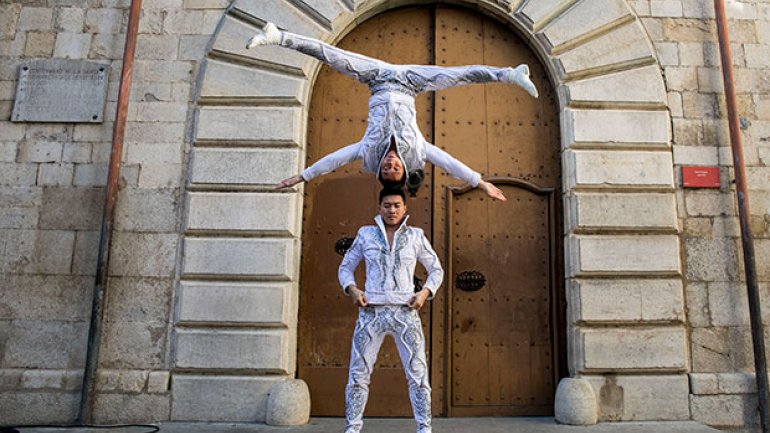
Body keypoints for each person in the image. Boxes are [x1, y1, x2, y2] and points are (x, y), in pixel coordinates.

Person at [247, 22, 540, 200]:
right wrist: (480, 183)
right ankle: (508, 75)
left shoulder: (367, 151)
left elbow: (334, 160)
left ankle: (279, 37)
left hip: (377, 79)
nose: (390, 164)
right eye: (394, 169)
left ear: (380, 170)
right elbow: (450, 163)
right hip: (410, 83)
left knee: (334, 56)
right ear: (403, 169)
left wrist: (302, 177)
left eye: (386, 169)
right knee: (457, 75)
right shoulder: (420, 151)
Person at [337, 187, 443, 433]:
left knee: (417, 374)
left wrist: (424, 293)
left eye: (397, 205)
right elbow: (345, 267)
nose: (392, 210)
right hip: (370, 312)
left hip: (405, 313)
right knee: (358, 373)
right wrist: (352, 289)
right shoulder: (366, 235)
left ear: (405, 208)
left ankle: (424, 429)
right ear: (379, 207)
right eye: (387, 205)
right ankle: (352, 428)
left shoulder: (416, 236)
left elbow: (436, 269)